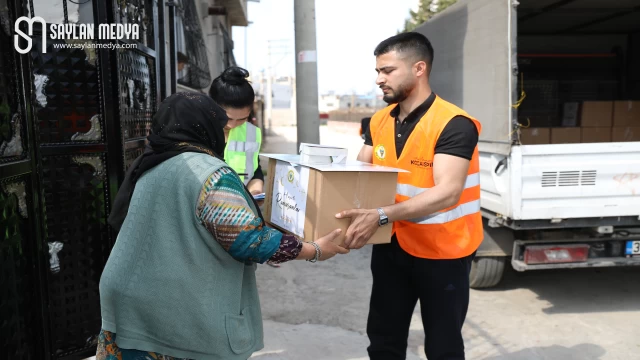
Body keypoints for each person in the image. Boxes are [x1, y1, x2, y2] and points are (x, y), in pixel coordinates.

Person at [100, 92, 349, 359]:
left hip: (128, 300)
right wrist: (315, 250)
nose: (227, 135)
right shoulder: (211, 172)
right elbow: (250, 242)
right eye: (222, 128)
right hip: (168, 310)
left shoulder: (152, 161)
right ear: (205, 129)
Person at [336, 32, 482, 360]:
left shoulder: (454, 124)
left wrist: (381, 214)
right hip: (392, 247)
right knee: (384, 340)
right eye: (377, 71)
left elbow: (448, 192)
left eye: (387, 71)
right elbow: (361, 173)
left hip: (444, 251)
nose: (378, 79)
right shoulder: (378, 120)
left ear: (419, 68)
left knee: (443, 346)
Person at [209, 66, 264, 195]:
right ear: (211, 107)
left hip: (238, 208)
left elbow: (255, 170)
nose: (233, 125)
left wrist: (255, 190)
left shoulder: (252, 133)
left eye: (242, 119)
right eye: (227, 118)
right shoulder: (197, 131)